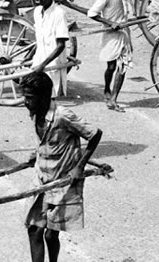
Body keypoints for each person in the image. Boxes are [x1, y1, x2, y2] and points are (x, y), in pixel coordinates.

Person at [20, 71, 102, 262]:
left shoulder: (62, 115)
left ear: (44, 98)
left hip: (62, 181)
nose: (25, 102)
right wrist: (37, 153)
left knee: (51, 234)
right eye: (25, 97)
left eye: (30, 98)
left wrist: (79, 167)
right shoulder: (35, 113)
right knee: (34, 229)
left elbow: (95, 134)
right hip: (41, 177)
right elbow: (46, 141)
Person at [87, 0, 134, 112]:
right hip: (110, 33)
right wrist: (110, 23)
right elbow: (92, 13)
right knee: (111, 67)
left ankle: (114, 98)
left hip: (124, 31)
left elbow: (129, 7)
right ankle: (107, 88)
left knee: (123, 66)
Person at [27, 0, 70, 98]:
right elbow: (40, 37)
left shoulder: (59, 14)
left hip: (52, 61)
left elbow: (61, 45)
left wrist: (43, 65)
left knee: (50, 95)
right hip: (39, 57)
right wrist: (30, 55)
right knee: (36, 93)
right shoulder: (37, 11)